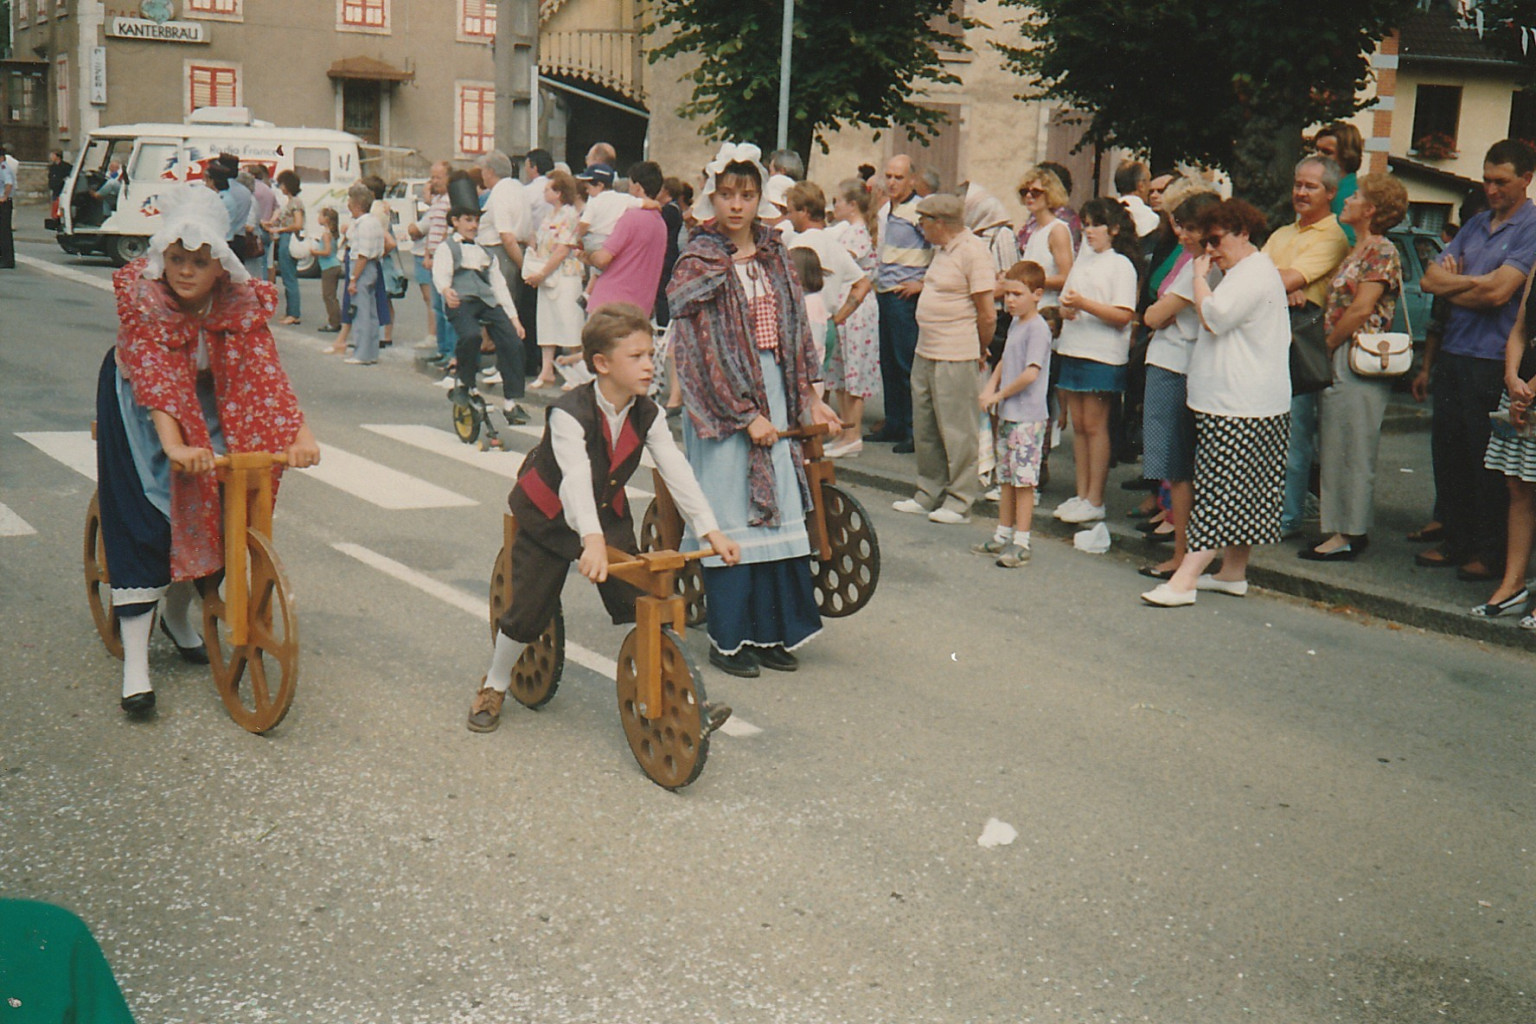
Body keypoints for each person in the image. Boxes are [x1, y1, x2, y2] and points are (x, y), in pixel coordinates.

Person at [93, 184, 320, 714]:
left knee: (218, 507)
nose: (186, 271)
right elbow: (158, 380)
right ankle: (136, 668)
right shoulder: (146, 302)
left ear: (221, 264)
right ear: (161, 258)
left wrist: (298, 435)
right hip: (141, 404)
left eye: (199, 260)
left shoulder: (238, 304)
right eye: (176, 259)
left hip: (206, 397)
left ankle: (178, 616)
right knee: (149, 520)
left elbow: (265, 373)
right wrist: (174, 445)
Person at [465, 305, 741, 732]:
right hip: (550, 515)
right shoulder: (568, 411)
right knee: (528, 610)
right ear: (601, 364)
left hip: (605, 513)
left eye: (651, 354)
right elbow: (575, 477)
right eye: (637, 357)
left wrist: (710, 528)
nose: (650, 365)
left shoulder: (645, 412)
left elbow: (675, 467)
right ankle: (495, 684)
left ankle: (681, 700)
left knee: (644, 597)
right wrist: (591, 541)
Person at [667, 142, 840, 678]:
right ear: (711, 199)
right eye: (726, 195)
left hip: (777, 390)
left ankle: (771, 633)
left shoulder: (775, 257)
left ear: (760, 198)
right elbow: (697, 352)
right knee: (734, 516)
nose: (736, 205)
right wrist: (744, 414)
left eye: (746, 195)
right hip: (725, 404)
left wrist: (810, 395)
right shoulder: (697, 262)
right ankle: (730, 639)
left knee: (780, 513)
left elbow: (796, 333)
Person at [1141, 199, 1291, 606]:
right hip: (1236, 400)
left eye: (1216, 240)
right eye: (1204, 242)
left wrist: (1197, 277)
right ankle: (1232, 572)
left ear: (1243, 232)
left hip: (1240, 403)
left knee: (1220, 493)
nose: (1210, 250)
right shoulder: (1243, 271)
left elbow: (1216, 316)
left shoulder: (1251, 274)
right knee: (1242, 493)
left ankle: (1185, 580)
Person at [1418, 139, 1536, 581]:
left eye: (1501, 181)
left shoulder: (1531, 227)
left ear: (1526, 179)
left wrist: (1461, 282)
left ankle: (1489, 552)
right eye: (1486, 180)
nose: (1491, 189)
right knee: (1449, 452)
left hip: (1492, 356)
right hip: (1455, 349)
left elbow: (1500, 292)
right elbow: (1430, 278)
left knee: (1485, 460)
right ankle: (1457, 539)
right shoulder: (1475, 224)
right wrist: (1475, 282)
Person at [1303, 173, 1409, 562]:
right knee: (1336, 444)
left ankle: (1349, 532)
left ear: (1372, 209)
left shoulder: (1381, 251)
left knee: (1353, 446)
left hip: (1356, 356)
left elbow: (1363, 307)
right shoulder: (1358, 249)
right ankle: (1337, 528)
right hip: (1343, 355)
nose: (1347, 200)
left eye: (1357, 196)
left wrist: (1328, 346)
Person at [890, 192, 997, 524]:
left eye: (923, 221)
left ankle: (961, 499)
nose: (920, 227)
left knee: (957, 429)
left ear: (940, 223)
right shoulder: (942, 250)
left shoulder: (973, 252)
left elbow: (987, 313)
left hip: (956, 351)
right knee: (926, 424)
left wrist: (979, 348)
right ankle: (928, 491)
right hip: (927, 348)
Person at [1136, 187, 1221, 576]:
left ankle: (1182, 553)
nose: (1182, 235)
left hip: (1178, 363)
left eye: (1189, 228)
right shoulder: (1191, 263)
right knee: (1174, 465)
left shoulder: (1200, 266)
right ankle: (1182, 548)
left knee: (1178, 464)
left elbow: (1155, 316)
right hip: (1172, 360)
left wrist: (1158, 312)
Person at [1264, 155, 1350, 539]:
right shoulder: (1282, 233)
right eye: (1298, 183)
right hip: (1266, 337)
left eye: (1310, 186)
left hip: (1298, 341)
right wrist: (1278, 283)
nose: (1300, 192)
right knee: (1265, 431)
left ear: (1330, 193)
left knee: (1293, 436)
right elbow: (1252, 277)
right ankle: (1263, 510)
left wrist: (1281, 282)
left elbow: (1277, 279)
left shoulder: (1333, 237)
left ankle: (1286, 517)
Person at [1050, 197, 1140, 526]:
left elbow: (1122, 316)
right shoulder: (1083, 260)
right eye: (1086, 224)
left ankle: (1096, 498)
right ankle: (1081, 494)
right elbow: (1066, 302)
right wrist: (1066, 309)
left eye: (1096, 225)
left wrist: (1084, 304)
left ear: (1114, 229)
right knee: (1080, 427)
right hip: (1074, 347)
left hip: (1103, 355)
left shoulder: (1121, 265)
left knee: (1096, 425)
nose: (1089, 231)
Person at [975, 261, 1052, 567]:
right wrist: (990, 387)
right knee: (1006, 477)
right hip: (1009, 414)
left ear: (1037, 294)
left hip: (1027, 416)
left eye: (1017, 294)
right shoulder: (1018, 324)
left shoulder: (1037, 329)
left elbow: (1030, 373)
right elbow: (1006, 361)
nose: (1010, 300)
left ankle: (1022, 540)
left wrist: (999, 394)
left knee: (1023, 481)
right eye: (1007, 294)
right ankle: (1002, 533)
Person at [1475, 267, 1536, 626]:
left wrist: (1526, 389)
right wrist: (1512, 378)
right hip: (1522, 394)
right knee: (1519, 486)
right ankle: (1512, 584)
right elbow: (1519, 328)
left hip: (1527, 395)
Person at [433, 192, 528, 422]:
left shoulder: (485, 252)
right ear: (455, 221)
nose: (473, 226)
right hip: (460, 301)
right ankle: (466, 384)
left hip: (486, 301)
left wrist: (514, 319)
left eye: (476, 220)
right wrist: (446, 290)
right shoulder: (447, 248)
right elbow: (440, 274)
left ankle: (511, 402)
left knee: (513, 341)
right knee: (471, 335)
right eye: (468, 220)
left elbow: (499, 286)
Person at [783, 181, 873, 408]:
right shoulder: (834, 244)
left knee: (799, 393)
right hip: (828, 323)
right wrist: (839, 317)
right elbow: (862, 283)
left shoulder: (798, 244)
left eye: (790, 211)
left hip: (804, 325)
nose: (788, 217)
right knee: (818, 389)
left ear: (803, 211)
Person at [867, 154, 932, 452]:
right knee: (889, 363)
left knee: (907, 364)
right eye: (889, 176)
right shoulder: (888, 211)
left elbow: (939, 247)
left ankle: (913, 430)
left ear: (912, 180)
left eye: (899, 177)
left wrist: (923, 283)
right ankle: (894, 422)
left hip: (905, 297)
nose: (892, 183)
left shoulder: (919, 211)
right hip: (885, 290)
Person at [824, 178, 882, 455]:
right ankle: (845, 432)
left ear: (852, 205)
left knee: (854, 371)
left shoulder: (857, 233)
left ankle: (853, 434)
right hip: (842, 306)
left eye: (838, 201)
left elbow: (840, 263)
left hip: (856, 310)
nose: (834, 206)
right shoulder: (845, 231)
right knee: (840, 371)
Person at [523, 168, 585, 388]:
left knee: (569, 322)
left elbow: (562, 250)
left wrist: (541, 272)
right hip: (548, 274)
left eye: (548, 189)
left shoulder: (569, 215)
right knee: (547, 322)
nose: (544, 193)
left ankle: (575, 373)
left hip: (565, 274)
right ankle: (547, 370)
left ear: (559, 193)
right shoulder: (549, 216)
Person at [587, 160, 668, 316]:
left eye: (630, 184)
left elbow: (603, 259)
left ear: (637, 187)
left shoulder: (630, 217)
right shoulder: (661, 224)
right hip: (640, 306)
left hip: (610, 303)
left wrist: (588, 253)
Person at [407, 161, 452, 357]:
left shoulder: (450, 201)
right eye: (432, 177)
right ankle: (441, 350)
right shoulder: (436, 201)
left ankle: (450, 352)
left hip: (442, 259)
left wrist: (436, 256)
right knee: (436, 306)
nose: (434, 181)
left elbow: (445, 231)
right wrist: (427, 254)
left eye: (438, 177)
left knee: (444, 307)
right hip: (432, 259)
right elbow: (431, 230)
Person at [1017, 166, 1074, 310]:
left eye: (1036, 192)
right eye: (1025, 192)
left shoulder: (1057, 230)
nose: (1029, 196)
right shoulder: (1035, 230)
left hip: (1047, 309)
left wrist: (1030, 282)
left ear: (1049, 195)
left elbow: (1066, 277)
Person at [1313, 122, 1365, 245]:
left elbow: (1349, 246)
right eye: (1317, 150)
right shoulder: (1326, 190)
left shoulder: (1350, 196)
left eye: (1327, 152)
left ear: (1346, 155)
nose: (1318, 156)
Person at [264, 169, 305, 325]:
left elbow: (298, 224)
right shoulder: (291, 202)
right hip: (285, 238)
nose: (280, 187)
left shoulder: (295, 203)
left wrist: (279, 229)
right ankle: (291, 311)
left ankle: (294, 313)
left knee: (289, 278)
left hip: (288, 239)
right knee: (288, 276)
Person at [1115, 159, 1161, 240]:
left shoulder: (1107, 212)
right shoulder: (1151, 218)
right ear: (1141, 185)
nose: (1150, 186)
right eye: (1149, 181)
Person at [313, 205, 343, 332]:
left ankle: (334, 322)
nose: (318, 218)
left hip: (329, 267)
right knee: (331, 296)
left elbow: (327, 251)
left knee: (328, 296)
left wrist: (314, 252)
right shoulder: (331, 234)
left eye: (320, 215)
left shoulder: (326, 235)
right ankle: (337, 320)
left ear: (326, 219)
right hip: (333, 265)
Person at [0, 143, 13, 270]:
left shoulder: (4, 167)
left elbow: (9, 183)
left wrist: (4, 196)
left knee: (4, 232)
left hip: (4, 203)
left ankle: (7, 260)